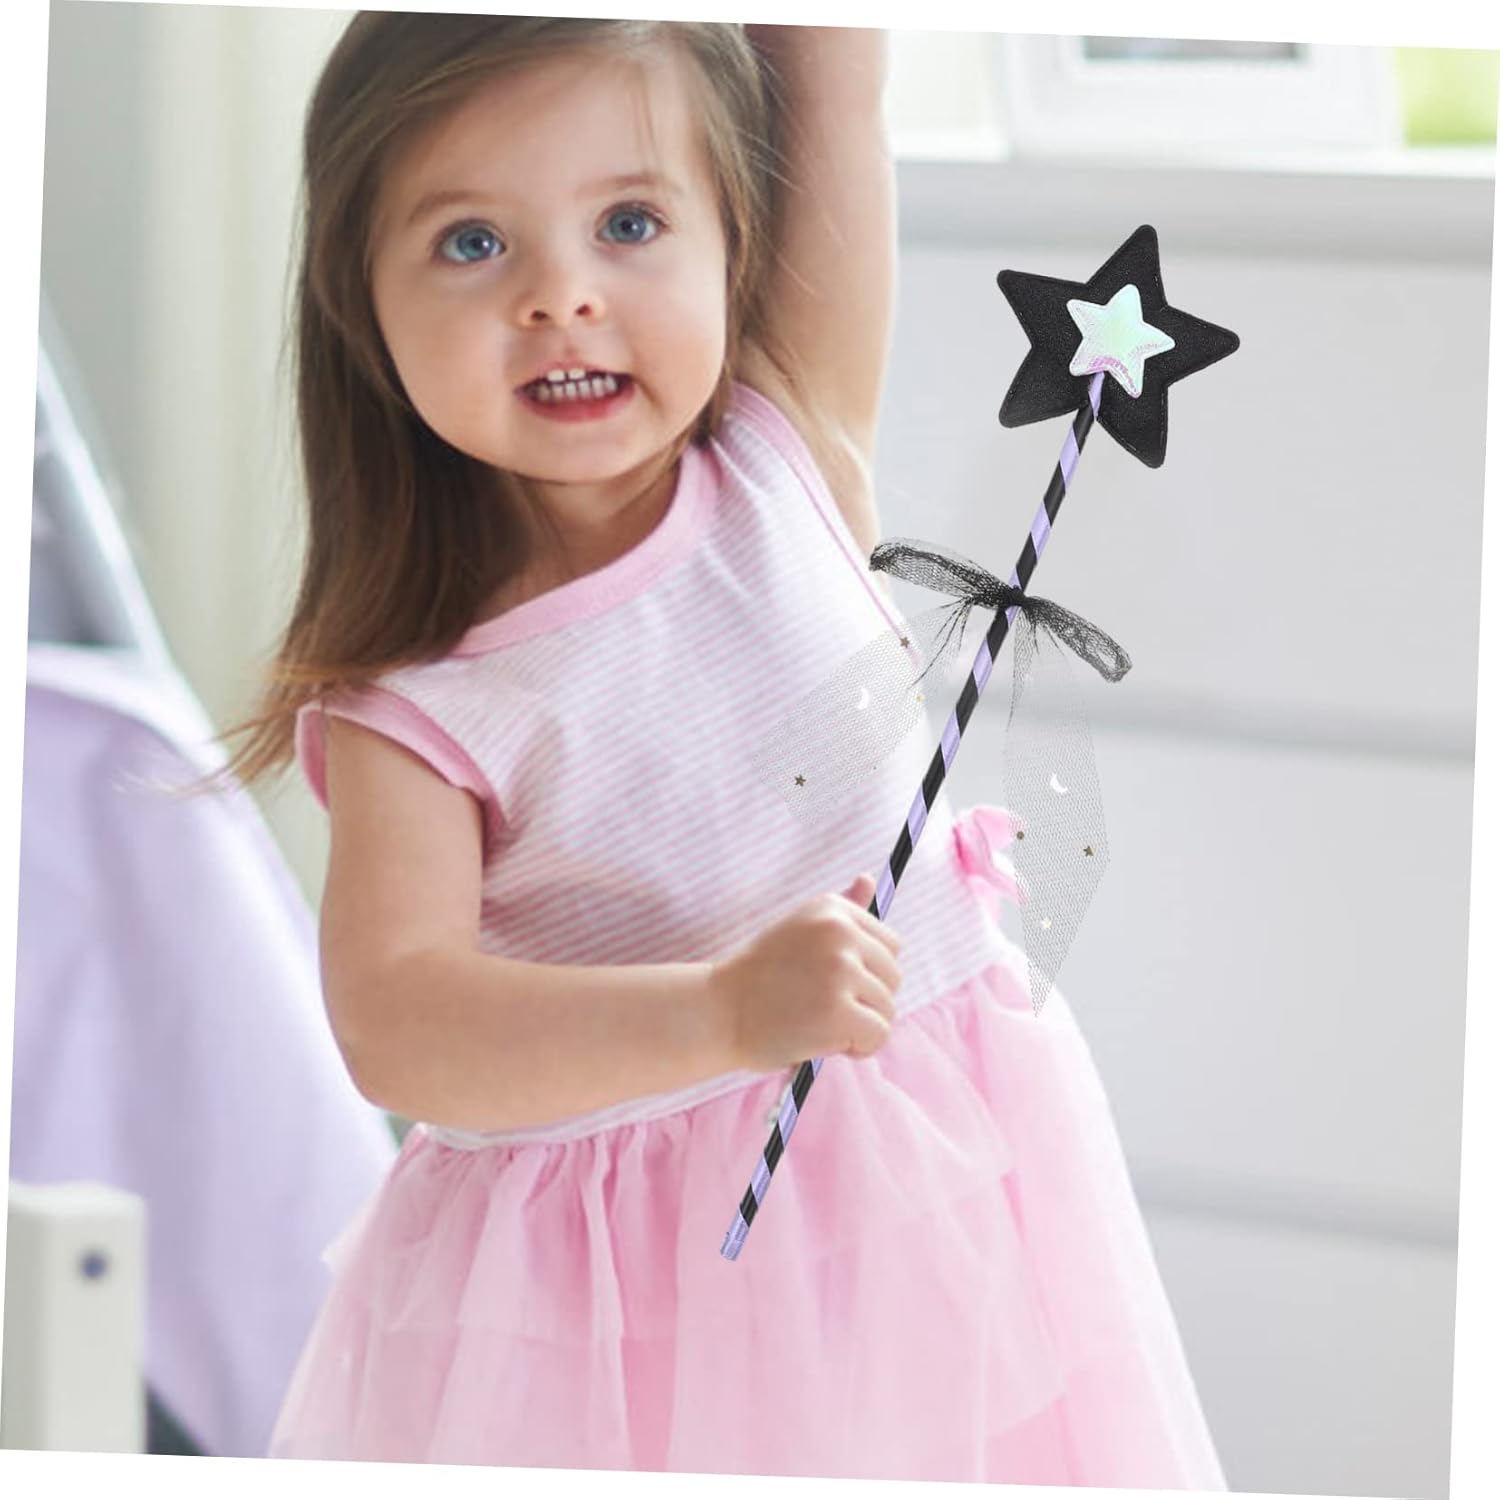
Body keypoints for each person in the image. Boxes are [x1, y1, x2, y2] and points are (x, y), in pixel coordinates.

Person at [226, 13, 1226, 1486]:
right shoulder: (420, 702)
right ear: (358, 301)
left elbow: (831, 68)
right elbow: (400, 1024)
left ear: (734, 237)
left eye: (629, 223)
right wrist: (721, 1014)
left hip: (952, 1197)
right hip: (630, 1312)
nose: (562, 296)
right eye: (471, 244)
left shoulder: (785, 444)